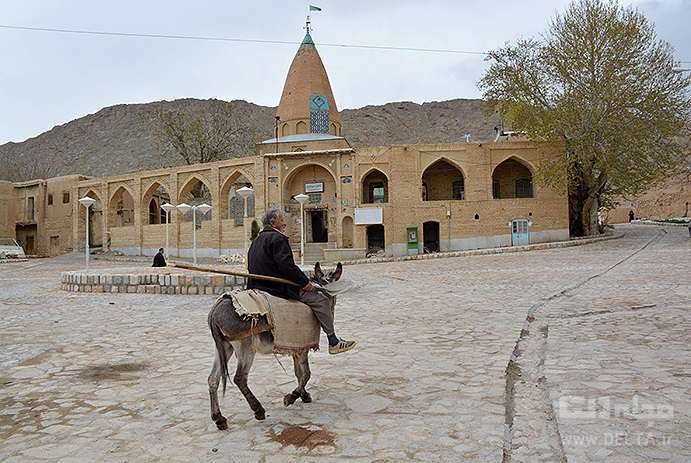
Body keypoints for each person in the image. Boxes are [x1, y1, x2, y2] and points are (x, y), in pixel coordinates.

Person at [247, 209, 356, 355]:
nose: (284, 223)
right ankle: (333, 341)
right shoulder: (278, 239)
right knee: (321, 299)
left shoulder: (256, 241)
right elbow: (287, 267)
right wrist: (305, 284)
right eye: (281, 220)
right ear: (273, 222)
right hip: (276, 287)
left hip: (256, 285)